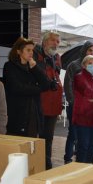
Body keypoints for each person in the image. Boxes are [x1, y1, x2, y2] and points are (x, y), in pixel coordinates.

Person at [63, 41, 93, 164]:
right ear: (84, 51)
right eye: (90, 50)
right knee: (74, 133)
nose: (92, 53)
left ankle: (87, 161)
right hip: (77, 107)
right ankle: (68, 158)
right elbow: (68, 85)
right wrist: (74, 102)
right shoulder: (74, 65)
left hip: (92, 109)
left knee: (91, 139)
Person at [3, 37, 51, 137]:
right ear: (19, 51)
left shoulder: (33, 66)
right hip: (18, 112)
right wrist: (39, 89)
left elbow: (47, 84)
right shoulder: (9, 66)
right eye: (28, 50)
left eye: (32, 50)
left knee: (33, 143)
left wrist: (35, 68)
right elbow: (17, 88)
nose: (31, 53)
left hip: (34, 111)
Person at [33, 31, 63, 169]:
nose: (56, 44)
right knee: (38, 137)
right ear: (45, 41)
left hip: (53, 104)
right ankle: (38, 164)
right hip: (39, 103)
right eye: (53, 40)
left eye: (58, 42)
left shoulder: (56, 57)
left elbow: (56, 75)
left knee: (49, 137)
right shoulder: (36, 54)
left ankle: (47, 163)